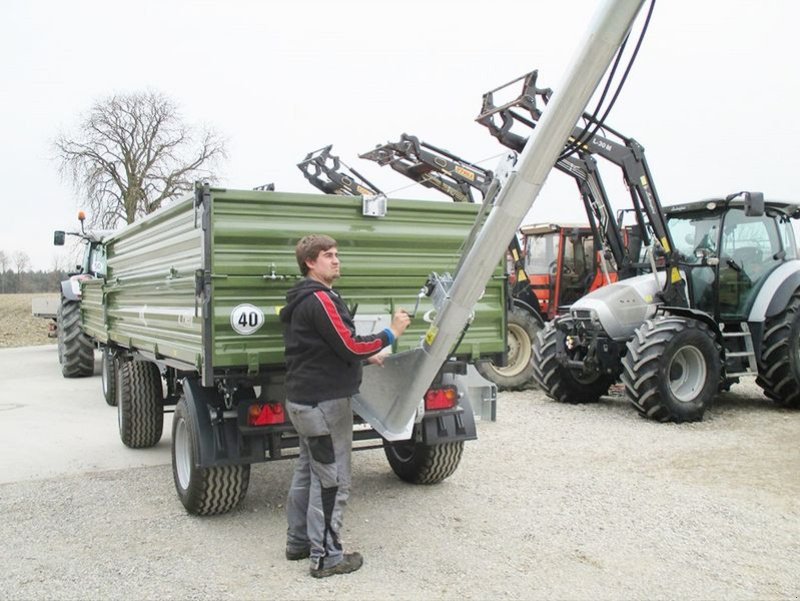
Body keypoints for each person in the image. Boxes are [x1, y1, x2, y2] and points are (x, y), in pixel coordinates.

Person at [279, 234, 411, 578]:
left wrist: (368, 357)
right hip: (324, 405)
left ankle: (299, 542)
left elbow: (322, 352)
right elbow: (350, 345)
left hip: (303, 399)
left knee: (308, 471)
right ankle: (326, 558)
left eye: (337, 255)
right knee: (333, 479)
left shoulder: (302, 298)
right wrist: (390, 334)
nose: (336, 260)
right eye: (328, 255)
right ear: (310, 262)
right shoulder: (320, 299)